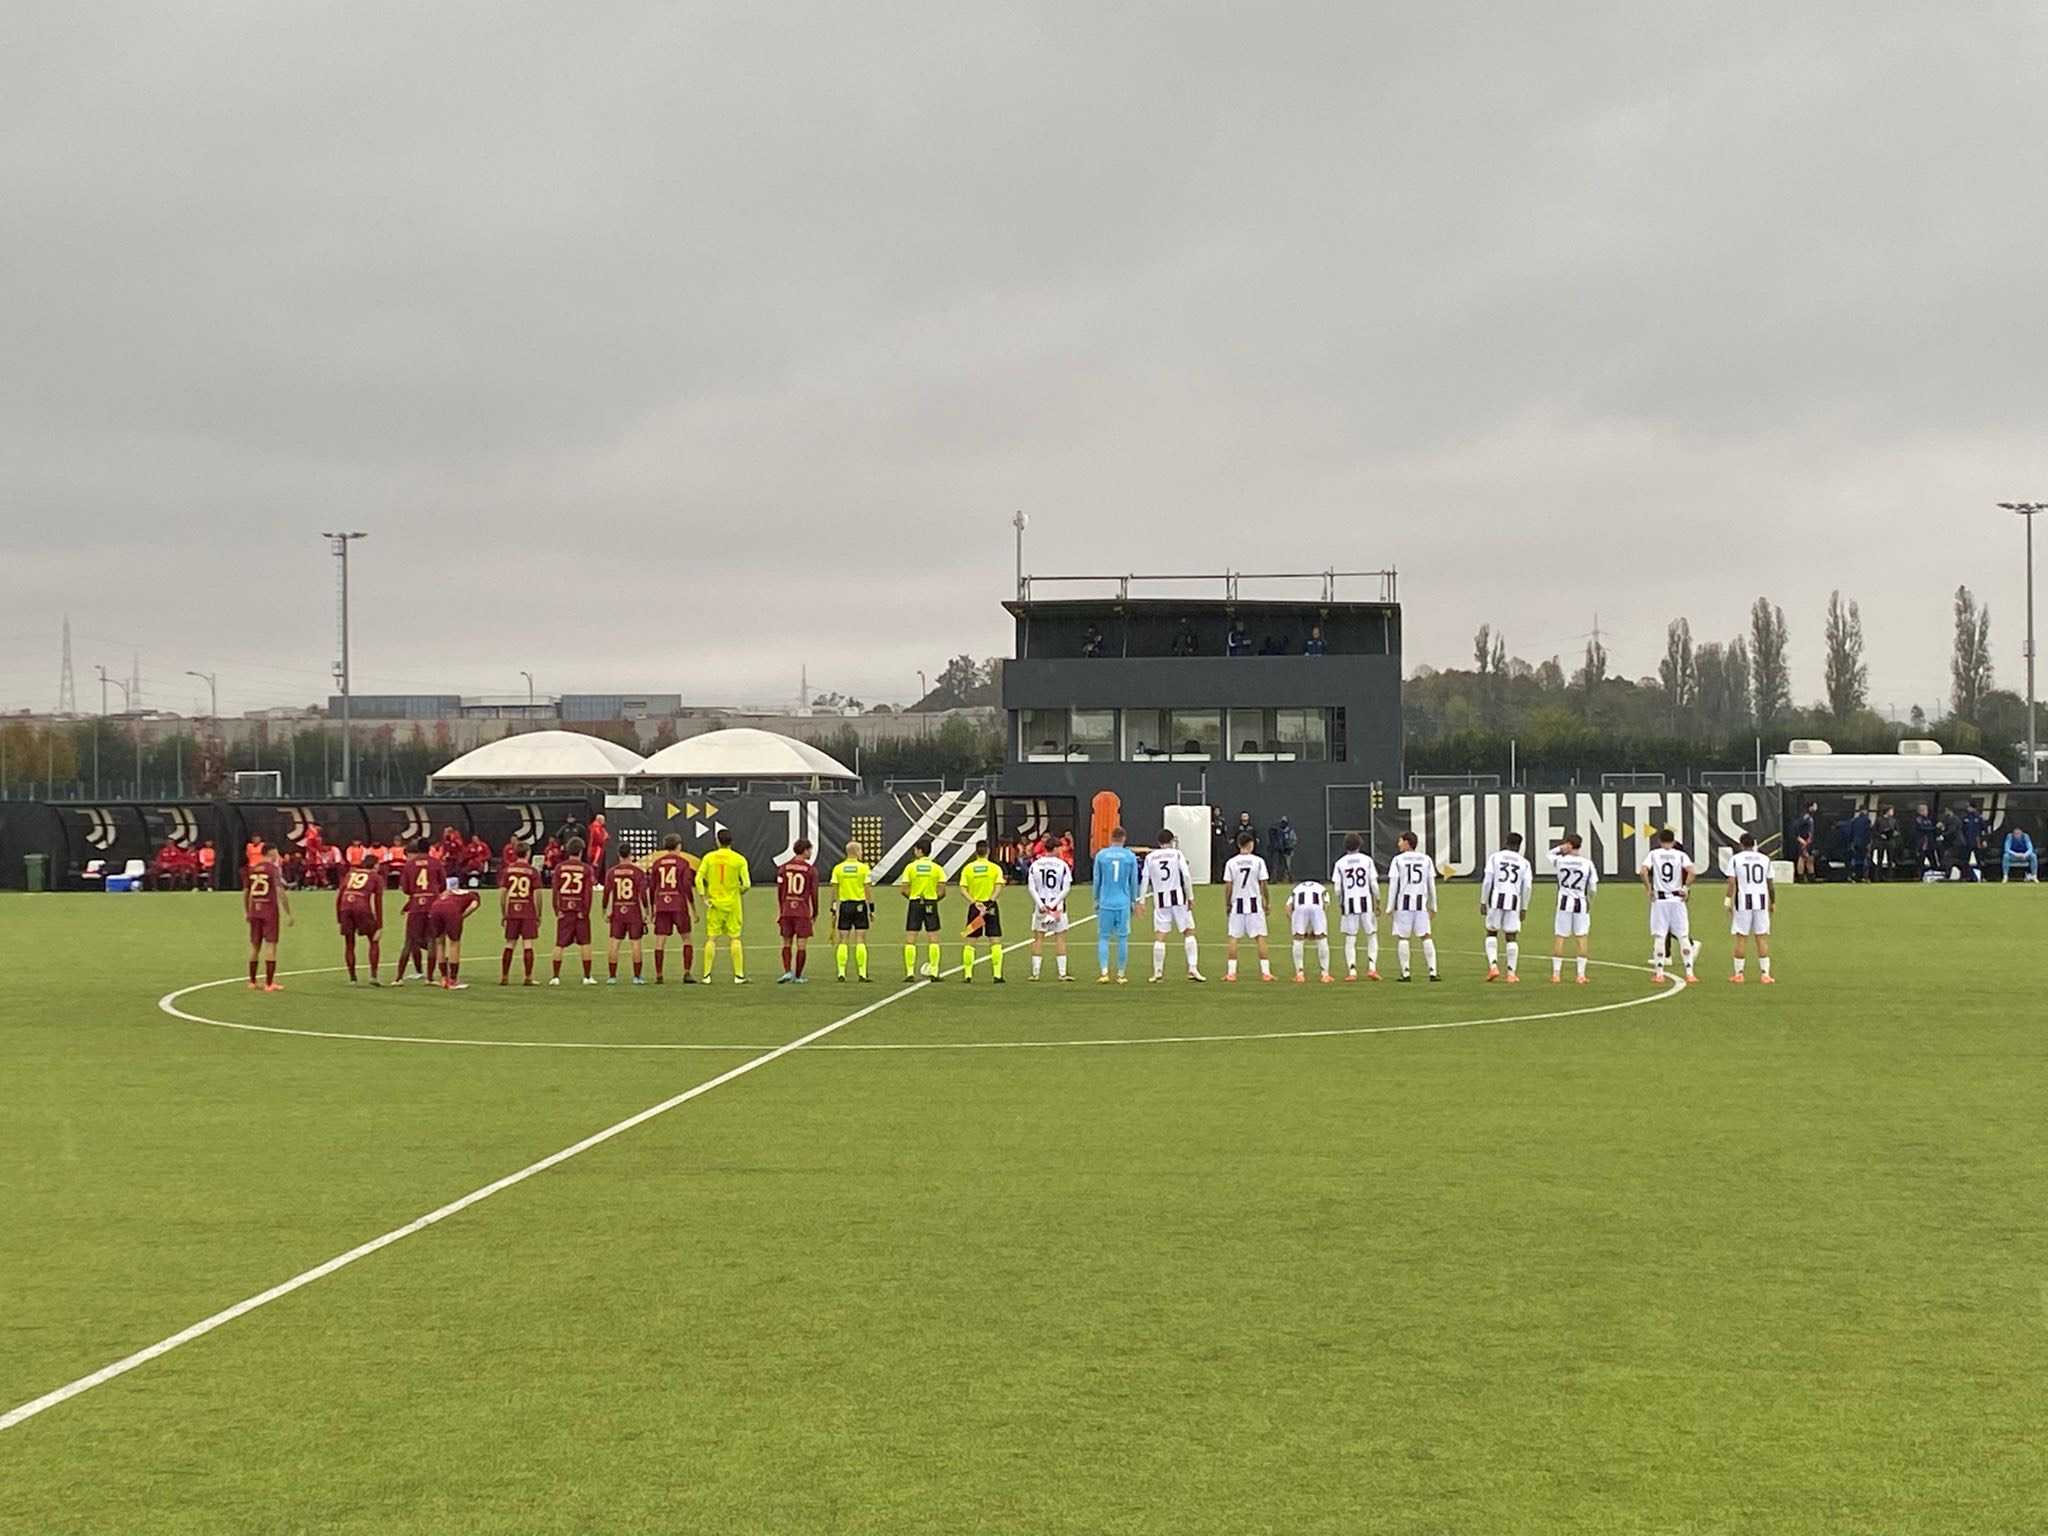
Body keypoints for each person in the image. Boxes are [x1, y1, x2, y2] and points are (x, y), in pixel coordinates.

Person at [1140, 829, 1203, 982]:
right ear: (1171, 841)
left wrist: (1142, 900)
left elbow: (1144, 879)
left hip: (1160, 899)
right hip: (1178, 897)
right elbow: (1186, 876)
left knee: (1160, 935)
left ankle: (1158, 972)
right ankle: (1192, 968)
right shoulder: (1176, 854)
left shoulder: (1150, 857)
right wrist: (1191, 896)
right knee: (1188, 931)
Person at [1640, 828, 1698, 986]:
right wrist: (1685, 888)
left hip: (1660, 899)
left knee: (1659, 936)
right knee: (1683, 936)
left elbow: (1643, 870)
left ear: (1660, 841)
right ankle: (1690, 973)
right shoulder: (1680, 855)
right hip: (1677, 899)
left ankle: (1659, 973)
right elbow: (1692, 871)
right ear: (1673, 842)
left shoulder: (1654, 854)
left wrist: (1649, 888)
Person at [696, 827, 750, 983]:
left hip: (714, 903)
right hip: (733, 904)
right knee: (735, 938)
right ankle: (738, 975)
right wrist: (738, 891)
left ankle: (706, 975)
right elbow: (746, 884)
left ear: (717, 841)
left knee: (711, 938)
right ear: (731, 841)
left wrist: (703, 896)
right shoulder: (739, 859)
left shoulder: (709, 858)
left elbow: (698, 878)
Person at [1385, 831, 1439, 982]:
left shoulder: (1397, 860)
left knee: (1403, 938)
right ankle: (1433, 971)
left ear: (1407, 842)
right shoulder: (1426, 859)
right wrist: (1433, 905)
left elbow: (1394, 885)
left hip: (1404, 905)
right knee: (1426, 936)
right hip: (1421, 904)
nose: (1398, 843)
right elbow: (1431, 885)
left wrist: (1390, 907)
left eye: (1400, 841)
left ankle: (1406, 972)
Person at [1479, 832, 1533, 982]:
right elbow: (1527, 887)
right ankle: (1511, 973)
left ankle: (1493, 966)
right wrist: (1524, 907)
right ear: (1519, 846)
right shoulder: (1524, 863)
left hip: (1497, 898)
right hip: (1514, 900)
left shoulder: (1495, 857)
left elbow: (1488, 881)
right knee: (1511, 936)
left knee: (1491, 932)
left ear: (1506, 842)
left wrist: (1483, 901)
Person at [1221, 831, 1274, 983]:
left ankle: (1231, 973)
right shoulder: (1258, 861)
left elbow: (1228, 885)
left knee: (1233, 937)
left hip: (1237, 903)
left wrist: (1227, 903)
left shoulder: (1231, 863)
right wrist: (1267, 901)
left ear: (1238, 845)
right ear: (1250, 844)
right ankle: (1266, 973)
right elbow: (1263, 883)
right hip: (1254, 904)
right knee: (1260, 937)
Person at [1091, 826, 1140, 984]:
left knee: (1104, 937)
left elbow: (1097, 880)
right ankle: (1121, 974)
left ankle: (1104, 972)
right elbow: (1133, 881)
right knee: (1122, 938)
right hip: (1123, 902)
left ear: (1111, 838)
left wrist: (1096, 898)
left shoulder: (1101, 855)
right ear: (1124, 838)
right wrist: (1134, 900)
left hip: (1106, 901)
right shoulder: (1129, 856)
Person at [1726, 832, 1777, 983]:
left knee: (1741, 937)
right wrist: (1772, 902)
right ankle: (1765, 974)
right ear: (1754, 844)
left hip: (1743, 902)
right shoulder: (1765, 859)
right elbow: (1770, 884)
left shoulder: (1735, 859)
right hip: (1761, 901)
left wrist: (1727, 901)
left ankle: (1739, 974)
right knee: (1761, 937)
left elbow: (1731, 882)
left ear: (1741, 844)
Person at [392, 837, 443, 986]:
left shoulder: (410, 865)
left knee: (409, 941)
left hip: (416, 904)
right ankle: (430, 978)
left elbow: (406, 889)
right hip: (433, 903)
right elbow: (443, 884)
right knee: (432, 939)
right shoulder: (436, 863)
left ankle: (398, 978)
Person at [647, 835, 698, 983]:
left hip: (662, 904)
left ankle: (659, 975)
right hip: (679, 905)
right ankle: (687, 973)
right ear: (679, 846)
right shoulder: (683, 863)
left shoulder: (657, 864)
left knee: (660, 940)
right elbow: (687, 886)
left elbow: (652, 888)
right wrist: (693, 908)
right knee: (686, 938)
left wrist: (652, 908)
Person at [1549, 833, 1599, 984]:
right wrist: (1589, 900)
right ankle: (1581, 975)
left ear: (1568, 845)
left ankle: (1556, 974)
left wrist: (1560, 848)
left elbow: (1549, 854)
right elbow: (1593, 888)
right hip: (1580, 902)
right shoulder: (1587, 863)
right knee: (1581, 937)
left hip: (1564, 902)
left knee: (1560, 937)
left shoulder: (1561, 861)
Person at [548, 836, 598, 986]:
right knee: (585, 943)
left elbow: (555, 891)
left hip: (564, 909)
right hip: (580, 910)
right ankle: (587, 977)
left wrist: (556, 909)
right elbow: (588, 893)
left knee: (559, 944)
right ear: (581, 851)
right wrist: (586, 911)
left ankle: (555, 977)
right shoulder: (586, 869)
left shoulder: (559, 868)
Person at [1330, 833, 1380, 981]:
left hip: (1349, 903)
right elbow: (1373, 884)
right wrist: (1378, 901)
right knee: (1371, 935)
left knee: (1350, 937)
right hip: (1366, 902)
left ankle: (1352, 971)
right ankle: (1372, 967)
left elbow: (1338, 889)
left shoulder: (1340, 863)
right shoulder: (1367, 860)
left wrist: (1340, 903)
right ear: (1359, 845)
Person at [243, 843, 291, 992]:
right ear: (270, 853)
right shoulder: (272, 869)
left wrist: (247, 911)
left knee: (255, 946)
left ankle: (252, 981)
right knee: (271, 945)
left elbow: (246, 892)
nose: (277, 855)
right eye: (276, 852)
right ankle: (269, 984)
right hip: (269, 910)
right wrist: (288, 912)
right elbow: (279, 890)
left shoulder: (252, 870)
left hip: (254, 910)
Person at [956, 840, 1007, 983]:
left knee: (971, 940)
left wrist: (974, 902)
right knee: (995, 939)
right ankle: (997, 975)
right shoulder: (995, 868)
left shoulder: (968, 868)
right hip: (990, 907)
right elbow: (999, 886)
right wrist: (990, 901)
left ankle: (968, 974)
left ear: (976, 851)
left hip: (975, 907)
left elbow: (963, 889)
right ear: (988, 851)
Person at [898, 839, 946, 982]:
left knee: (911, 938)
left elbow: (904, 889)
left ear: (919, 850)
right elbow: (942, 891)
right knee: (933, 938)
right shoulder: (937, 868)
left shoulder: (911, 867)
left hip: (915, 902)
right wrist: (933, 900)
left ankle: (909, 973)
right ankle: (935, 972)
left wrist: (914, 898)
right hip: (931, 902)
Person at [1026, 843, 1075, 980]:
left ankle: (1035, 973)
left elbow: (1031, 887)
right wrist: (1053, 905)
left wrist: (1041, 904)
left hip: (1041, 905)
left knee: (1038, 938)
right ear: (1054, 849)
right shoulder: (1062, 865)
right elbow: (1066, 888)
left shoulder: (1035, 865)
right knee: (1060, 938)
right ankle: (1062, 973)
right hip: (1058, 905)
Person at [334, 853, 385, 985]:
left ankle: (352, 978)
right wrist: (380, 925)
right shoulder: (376, 877)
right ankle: (373, 976)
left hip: (345, 907)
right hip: (362, 907)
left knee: (349, 944)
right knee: (373, 940)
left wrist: (339, 918)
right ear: (374, 865)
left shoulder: (351, 874)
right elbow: (378, 901)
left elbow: (339, 896)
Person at [775, 839, 821, 983]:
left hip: (787, 910)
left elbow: (780, 891)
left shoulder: (783, 868)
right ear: (805, 850)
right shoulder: (810, 870)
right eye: (810, 850)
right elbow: (814, 893)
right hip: (802, 911)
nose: (811, 853)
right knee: (801, 944)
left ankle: (787, 972)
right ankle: (798, 976)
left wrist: (782, 908)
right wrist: (815, 912)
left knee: (786, 942)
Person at [828, 839, 873, 983]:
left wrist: (834, 908)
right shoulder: (863, 868)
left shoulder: (838, 868)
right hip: (859, 905)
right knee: (860, 939)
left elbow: (834, 890)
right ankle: (862, 973)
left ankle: (841, 972)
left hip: (845, 905)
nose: (862, 853)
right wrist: (871, 908)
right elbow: (867, 889)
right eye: (860, 850)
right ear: (856, 852)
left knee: (843, 939)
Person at [499, 840, 543, 985]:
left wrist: (504, 913)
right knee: (527, 943)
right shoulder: (532, 871)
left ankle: (504, 976)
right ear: (528, 853)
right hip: (528, 911)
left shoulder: (508, 870)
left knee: (510, 943)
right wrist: (538, 914)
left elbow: (503, 893)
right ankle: (528, 977)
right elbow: (537, 895)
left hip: (512, 910)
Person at [603, 848, 649, 984]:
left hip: (617, 911)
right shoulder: (638, 872)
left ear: (618, 855)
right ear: (631, 854)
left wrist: (605, 909)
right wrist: (646, 911)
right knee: (636, 943)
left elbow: (606, 893)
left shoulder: (611, 872)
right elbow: (642, 894)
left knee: (614, 943)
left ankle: (612, 977)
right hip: (634, 911)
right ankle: (637, 977)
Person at [427, 877, 481, 990]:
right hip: (451, 910)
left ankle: (443, 978)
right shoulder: (472, 895)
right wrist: (462, 916)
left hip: (435, 907)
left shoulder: (447, 892)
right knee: (454, 943)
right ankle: (453, 979)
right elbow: (473, 905)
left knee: (440, 943)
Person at [1286, 877, 1332, 983]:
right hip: (1317, 908)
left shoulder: (1297, 888)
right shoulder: (1321, 887)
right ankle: (1325, 975)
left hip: (1299, 909)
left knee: (1298, 940)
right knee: (1322, 938)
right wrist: (1313, 930)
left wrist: (1296, 924)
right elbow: (1324, 905)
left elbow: (1288, 908)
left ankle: (1300, 974)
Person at [1792, 802, 1818, 882]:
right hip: (1804, 841)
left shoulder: (1810, 817)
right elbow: (1795, 827)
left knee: (1810, 858)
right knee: (1802, 858)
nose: (1816, 808)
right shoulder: (1805, 817)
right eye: (1814, 806)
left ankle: (1811, 877)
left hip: (1809, 841)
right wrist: (1799, 838)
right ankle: (1801, 878)